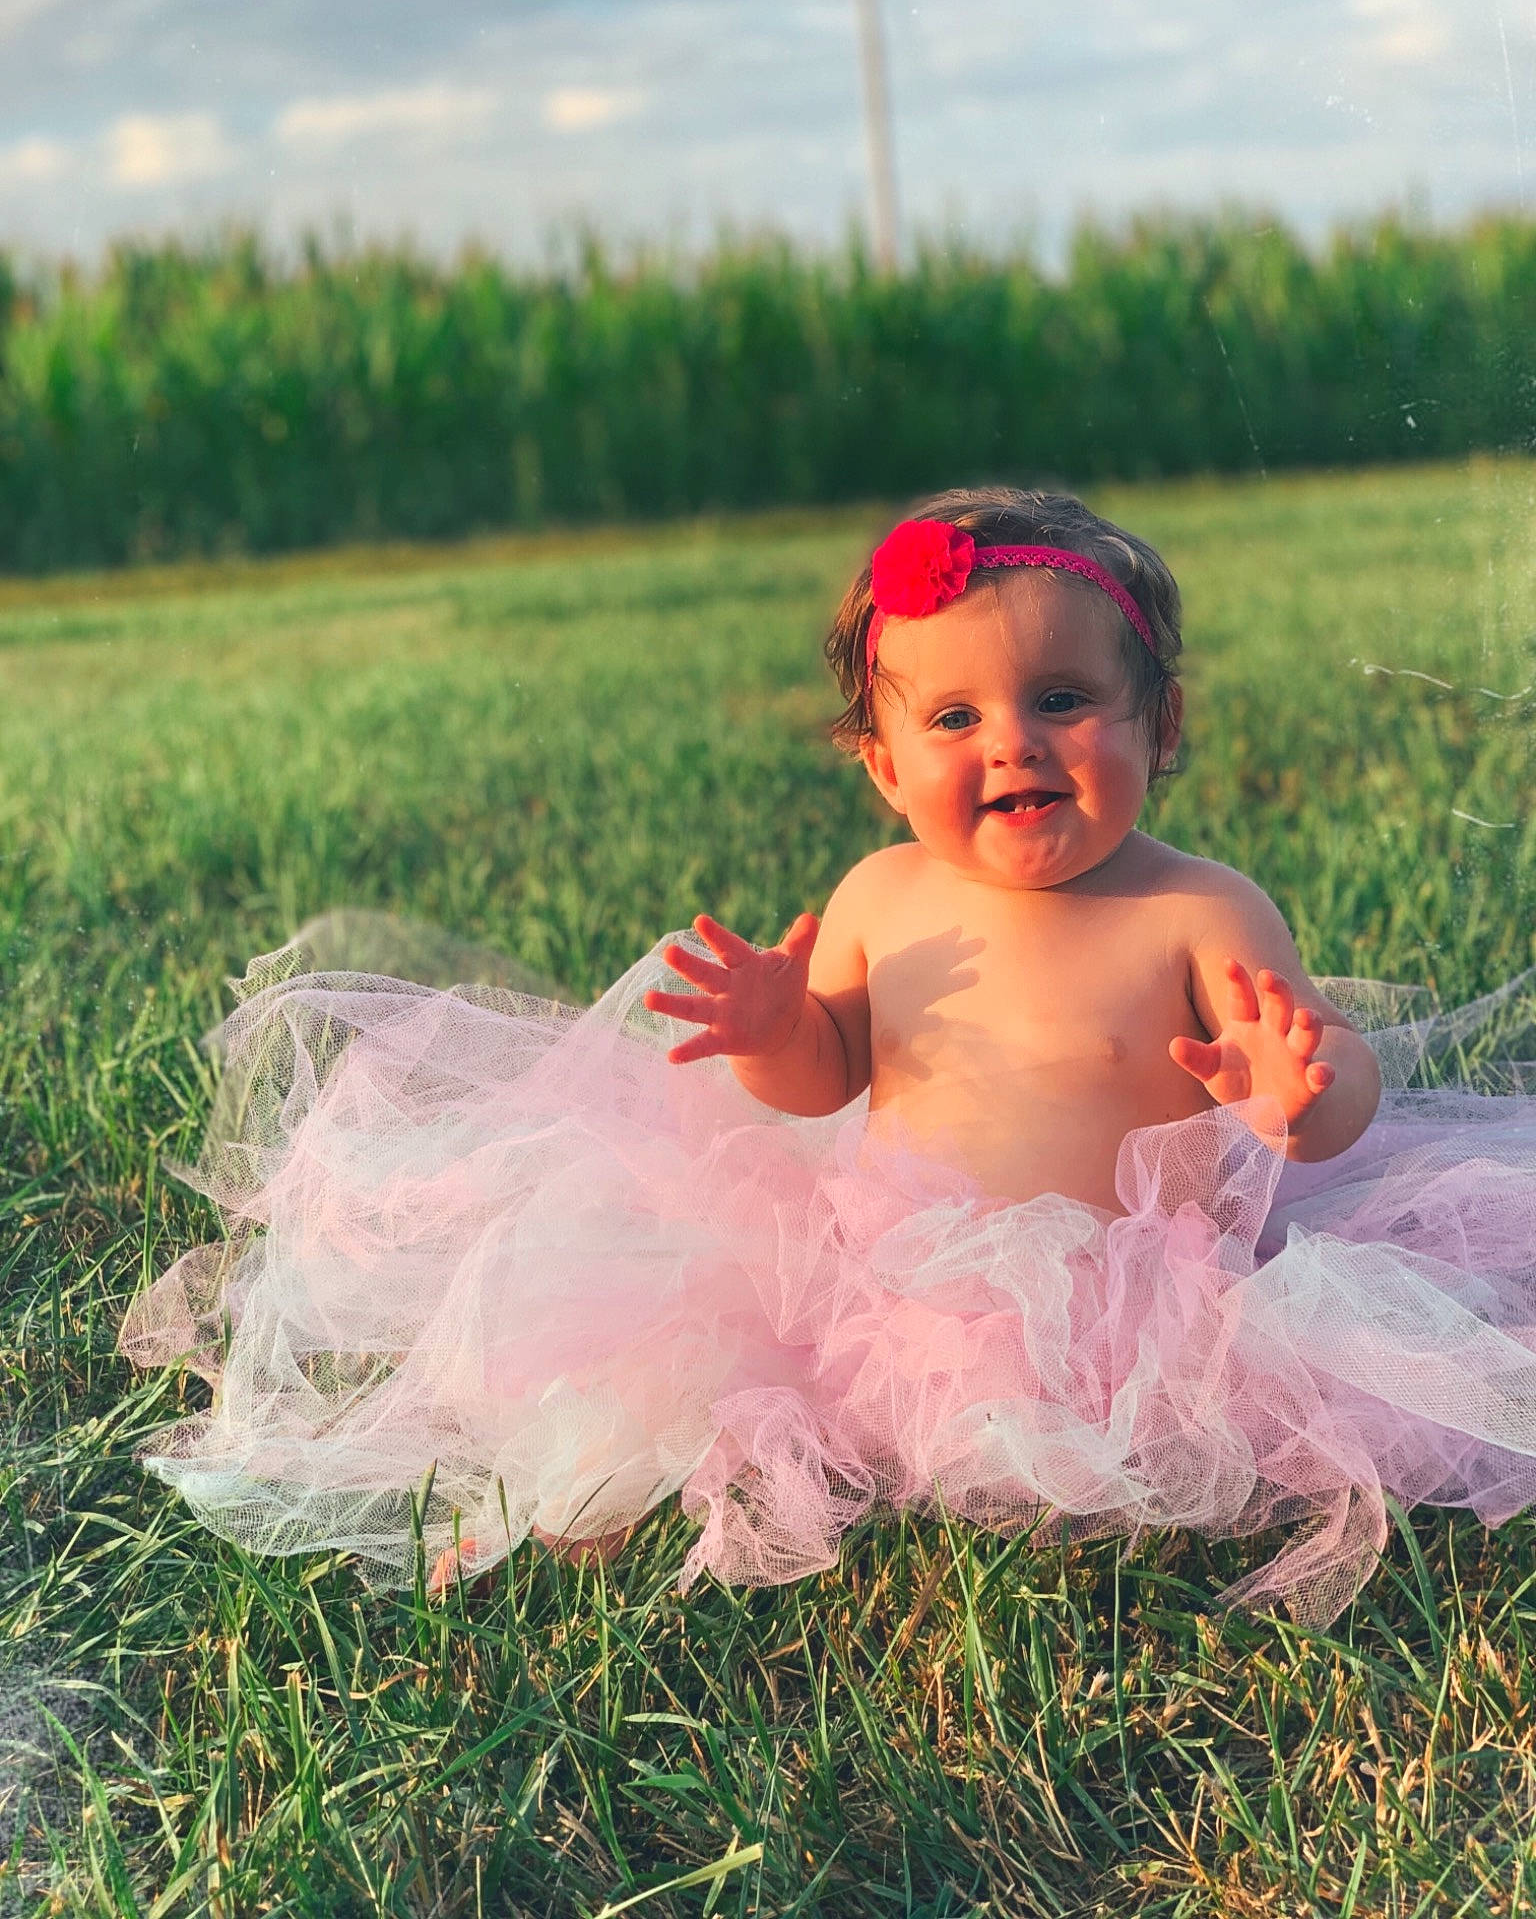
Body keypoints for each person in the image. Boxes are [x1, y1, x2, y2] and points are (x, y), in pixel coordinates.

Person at [120, 489, 1536, 1626]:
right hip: (898, 1271)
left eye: (1064, 700)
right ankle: (582, 1501)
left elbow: (1325, 1077)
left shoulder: (1199, 906)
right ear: (881, 762)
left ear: (1160, 725)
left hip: (1140, 1281)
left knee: (1206, 1440)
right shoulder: (883, 900)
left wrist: (1299, 1093)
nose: (1015, 746)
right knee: (705, 1374)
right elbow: (827, 1079)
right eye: (957, 719)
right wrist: (779, 1032)